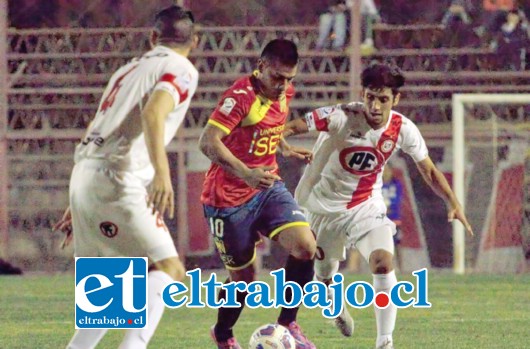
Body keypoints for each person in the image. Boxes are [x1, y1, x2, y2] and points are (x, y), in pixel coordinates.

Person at [284, 61, 474, 349]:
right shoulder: (341, 116)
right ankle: (335, 304)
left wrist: (453, 202)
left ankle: (384, 342)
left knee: (383, 263)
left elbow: (429, 171)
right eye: (370, 97)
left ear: (395, 99)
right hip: (319, 206)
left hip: (365, 207)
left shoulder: (402, 129)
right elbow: (297, 125)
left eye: (383, 99)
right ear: (363, 94)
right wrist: (279, 140)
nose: (374, 106)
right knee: (324, 275)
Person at [52, 6, 198, 349]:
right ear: (195, 41)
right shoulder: (181, 68)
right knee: (171, 269)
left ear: (153, 37)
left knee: (109, 302)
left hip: (85, 174)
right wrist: (162, 175)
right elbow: (153, 113)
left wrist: (78, 200)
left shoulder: (128, 68)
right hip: (118, 179)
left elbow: (98, 124)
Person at [199, 39, 317, 349]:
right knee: (245, 280)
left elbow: (270, 128)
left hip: (266, 188)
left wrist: (285, 147)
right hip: (227, 199)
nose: (283, 86)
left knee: (305, 246)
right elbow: (208, 142)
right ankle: (222, 334)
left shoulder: (284, 91)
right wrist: (246, 172)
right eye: (277, 77)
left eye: (289, 79)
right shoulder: (239, 97)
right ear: (261, 66)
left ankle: (287, 324)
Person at [381, 164, 404, 270]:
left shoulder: (396, 184)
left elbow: (398, 199)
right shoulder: (377, 185)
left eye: (388, 170)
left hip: (394, 219)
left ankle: (400, 267)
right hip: (380, 220)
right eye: (384, 170)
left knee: (396, 244)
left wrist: (389, 206)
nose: (386, 173)